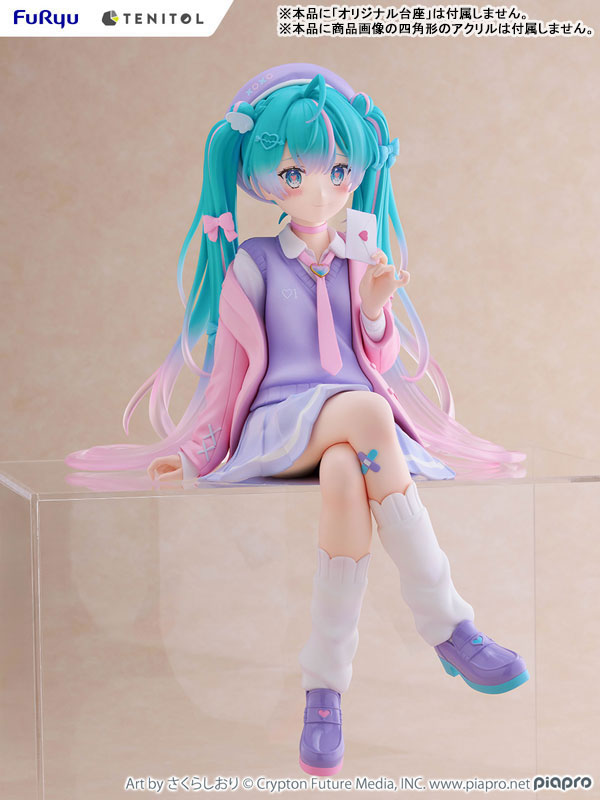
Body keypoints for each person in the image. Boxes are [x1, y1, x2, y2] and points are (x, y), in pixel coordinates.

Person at [66, 63, 529, 776]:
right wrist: (195, 453)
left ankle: (323, 690)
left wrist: (374, 306)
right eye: (294, 174)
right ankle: (447, 622)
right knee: (366, 411)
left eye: (339, 172)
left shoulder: (359, 257)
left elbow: (378, 357)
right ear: (261, 179)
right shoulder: (253, 263)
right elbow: (228, 374)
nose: (321, 189)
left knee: (346, 473)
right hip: (284, 423)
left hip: (355, 436)